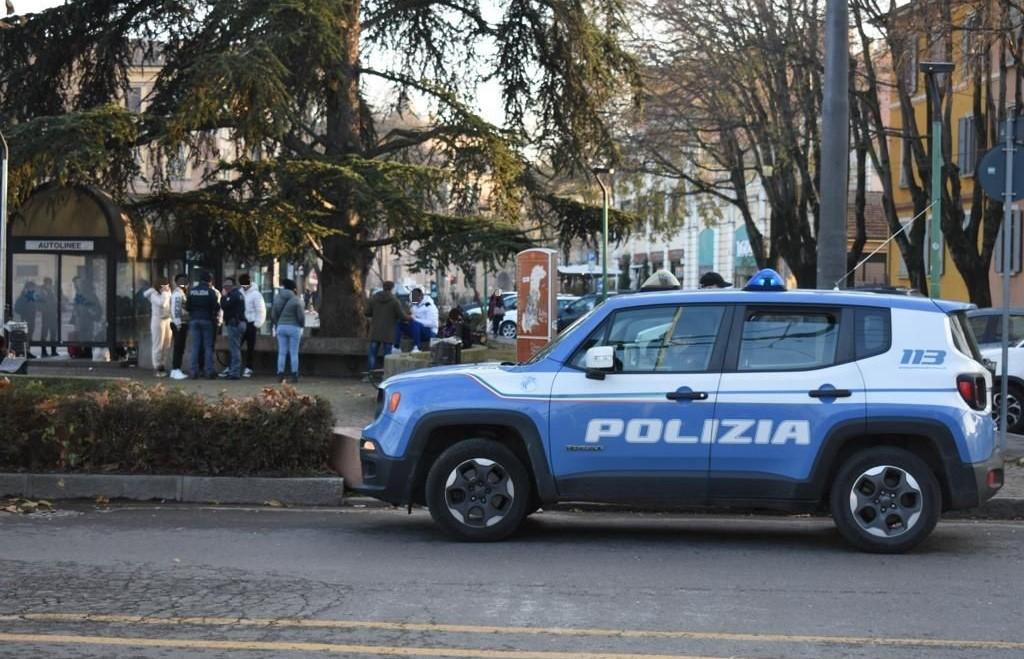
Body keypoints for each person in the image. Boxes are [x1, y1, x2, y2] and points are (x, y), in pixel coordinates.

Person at [366, 281, 409, 374]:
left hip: (375, 331)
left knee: (372, 353)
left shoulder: (374, 299)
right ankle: (386, 374)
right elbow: (402, 316)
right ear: (392, 288)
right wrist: (410, 317)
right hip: (388, 332)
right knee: (387, 355)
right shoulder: (394, 301)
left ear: (383, 287)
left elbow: (366, 312)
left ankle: (369, 374)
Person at [186, 271, 220, 380]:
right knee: (208, 347)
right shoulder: (210, 292)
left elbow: (187, 306)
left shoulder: (192, 291)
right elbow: (216, 306)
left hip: (194, 320)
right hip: (207, 320)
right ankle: (208, 371)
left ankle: (193, 371)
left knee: (195, 346)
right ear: (210, 281)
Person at [270, 278, 305, 383]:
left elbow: (273, 314)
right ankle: (294, 374)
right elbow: (301, 316)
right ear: (294, 288)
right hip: (294, 327)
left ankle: (280, 374)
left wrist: (278, 324)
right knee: (294, 352)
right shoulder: (296, 299)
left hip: (281, 327)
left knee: (282, 352)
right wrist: (302, 325)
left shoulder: (277, 298)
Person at [393, 287, 438, 353]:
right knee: (400, 323)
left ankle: (417, 347)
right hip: (416, 330)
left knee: (415, 323)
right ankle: (396, 347)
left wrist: (415, 320)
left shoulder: (430, 306)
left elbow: (432, 323)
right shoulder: (414, 306)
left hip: (430, 332)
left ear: (420, 297)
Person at [239, 273, 266, 378]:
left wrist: (257, 324)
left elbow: (261, 310)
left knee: (250, 348)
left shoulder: (256, 294)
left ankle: (249, 367)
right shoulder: (240, 293)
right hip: (241, 322)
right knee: (237, 346)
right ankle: (234, 366)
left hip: (251, 323)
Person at [219, 276, 247, 380]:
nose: (226, 288)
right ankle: (234, 371)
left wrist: (223, 296)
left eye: (228, 286)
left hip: (235, 323)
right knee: (235, 348)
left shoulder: (233, 295)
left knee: (234, 349)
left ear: (233, 286)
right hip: (240, 323)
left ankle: (234, 373)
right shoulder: (239, 294)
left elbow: (224, 305)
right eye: (225, 286)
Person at [143, 280, 172, 377]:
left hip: (167, 320)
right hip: (158, 321)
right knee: (158, 345)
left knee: (166, 344)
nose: (167, 288)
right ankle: (157, 367)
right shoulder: (154, 294)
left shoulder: (167, 293)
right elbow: (162, 304)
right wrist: (165, 293)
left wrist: (167, 293)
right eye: (165, 286)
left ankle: (162, 364)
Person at [169, 274, 190, 380]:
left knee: (179, 347)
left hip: (179, 323)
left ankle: (175, 369)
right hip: (179, 323)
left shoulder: (179, 292)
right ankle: (176, 369)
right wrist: (178, 323)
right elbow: (176, 310)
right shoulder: (178, 294)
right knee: (179, 347)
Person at [14, 281, 39, 358]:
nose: (33, 289)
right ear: (27, 288)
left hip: (31, 319)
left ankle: (27, 351)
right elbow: (17, 308)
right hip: (25, 319)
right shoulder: (23, 297)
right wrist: (25, 313)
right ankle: (25, 352)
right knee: (26, 336)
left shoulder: (31, 297)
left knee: (29, 336)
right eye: (32, 288)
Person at [38, 277, 59, 357]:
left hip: (53, 315)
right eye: (48, 283)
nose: (49, 285)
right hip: (46, 315)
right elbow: (40, 304)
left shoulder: (52, 291)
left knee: (53, 333)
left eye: (50, 283)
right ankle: (44, 351)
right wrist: (45, 309)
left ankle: (53, 351)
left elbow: (55, 301)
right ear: (45, 283)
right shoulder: (42, 292)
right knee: (44, 334)